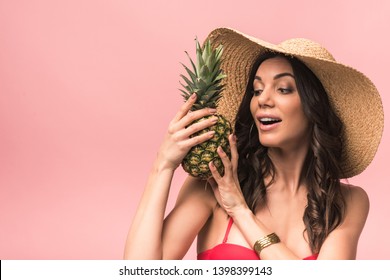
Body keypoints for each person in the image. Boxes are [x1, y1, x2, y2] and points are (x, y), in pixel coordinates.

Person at [123, 28, 384, 260]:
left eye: (283, 89)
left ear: (313, 108)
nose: (263, 100)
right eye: (257, 90)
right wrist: (163, 165)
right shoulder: (214, 180)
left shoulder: (348, 202)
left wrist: (241, 211)